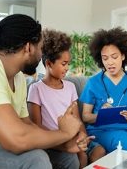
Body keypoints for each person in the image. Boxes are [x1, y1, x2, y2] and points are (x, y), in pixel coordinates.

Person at [0, 14, 82, 169]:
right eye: (40, 48)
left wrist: (65, 146)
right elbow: (17, 139)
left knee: (67, 159)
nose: (41, 54)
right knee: (36, 159)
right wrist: (66, 133)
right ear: (28, 47)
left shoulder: (19, 78)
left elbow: (28, 127)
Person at [27, 29, 106, 169]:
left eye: (68, 63)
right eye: (64, 64)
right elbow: (36, 127)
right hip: (53, 142)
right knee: (74, 161)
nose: (67, 68)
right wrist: (69, 144)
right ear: (49, 64)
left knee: (99, 151)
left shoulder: (70, 87)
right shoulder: (36, 89)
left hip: (74, 137)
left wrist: (82, 136)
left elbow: (77, 120)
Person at [80, 27, 127, 154]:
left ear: (123, 56)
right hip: (101, 131)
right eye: (105, 58)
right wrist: (101, 114)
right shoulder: (93, 82)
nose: (109, 62)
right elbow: (86, 117)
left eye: (114, 57)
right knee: (122, 140)